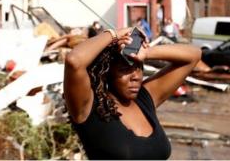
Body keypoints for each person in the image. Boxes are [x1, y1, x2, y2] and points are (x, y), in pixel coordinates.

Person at [63, 27, 201, 159]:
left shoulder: (144, 99)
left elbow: (194, 55)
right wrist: (116, 34)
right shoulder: (88, 107)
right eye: (125, 69)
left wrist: (145, 52)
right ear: (107, 72)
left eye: (139, 67)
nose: (136, 76)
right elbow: (74, 60)